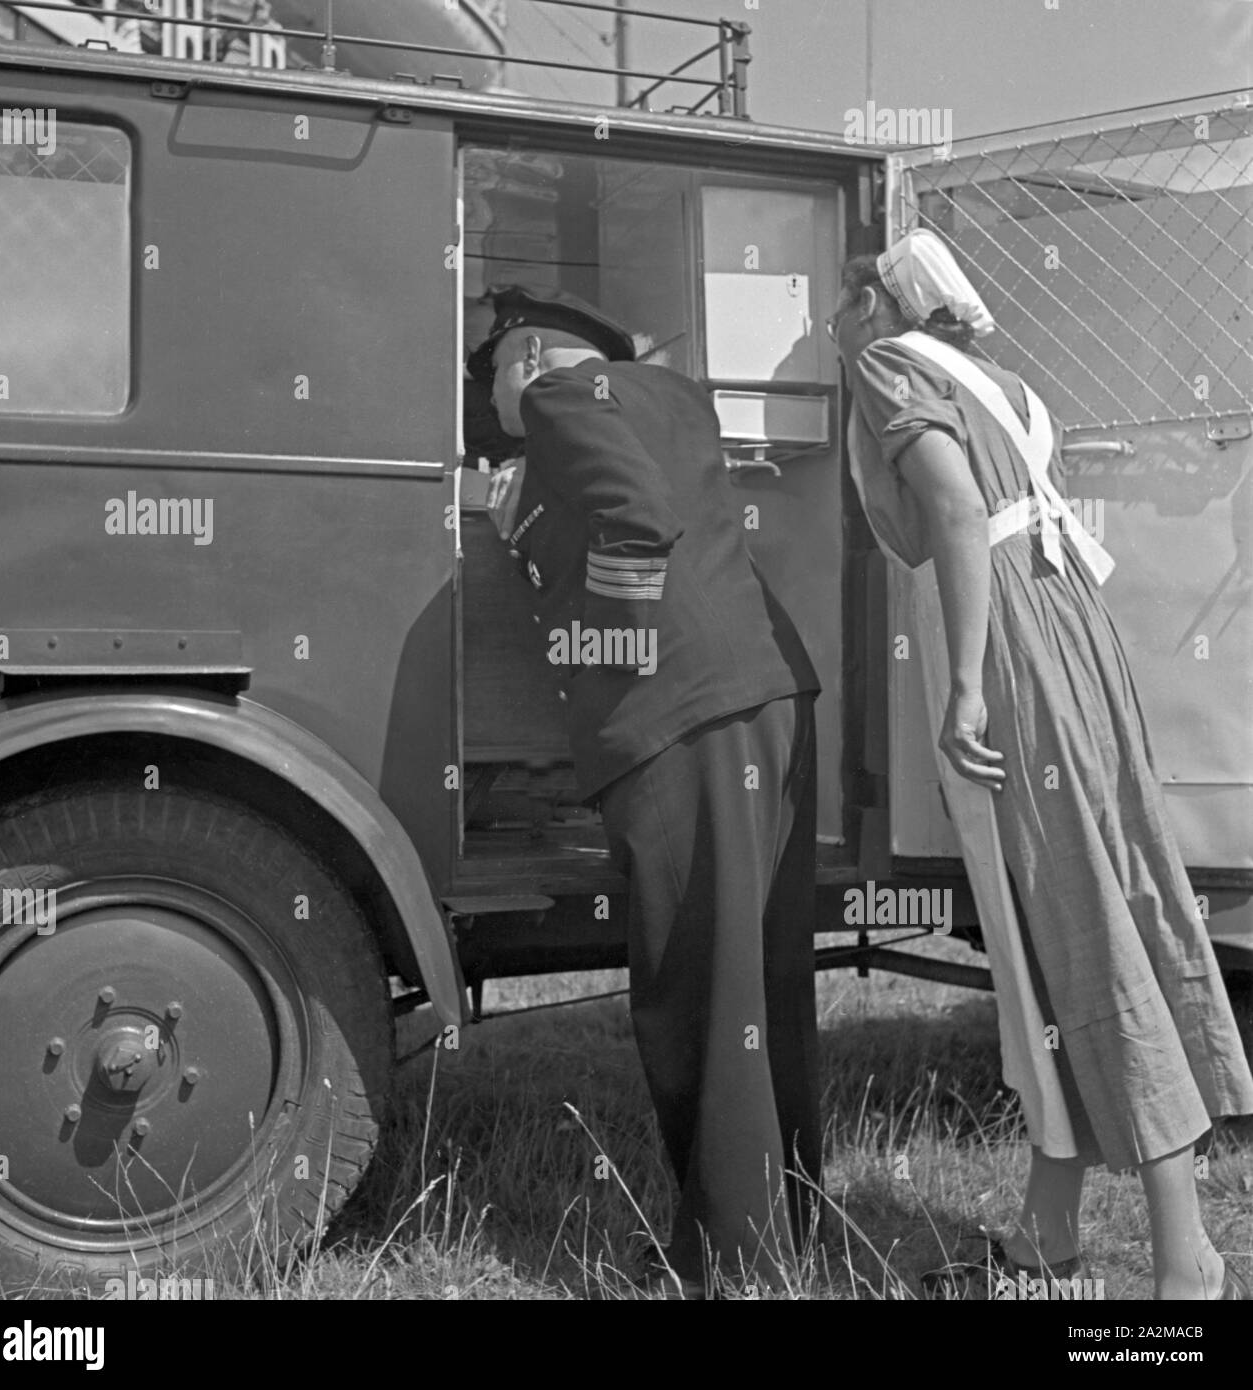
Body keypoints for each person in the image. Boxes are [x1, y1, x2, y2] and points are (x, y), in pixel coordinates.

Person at [832, 228, 1253, 1300]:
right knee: (1054, 918)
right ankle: (1046, 1231)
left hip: (1008, 638)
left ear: (888, 305)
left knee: (1075, 916)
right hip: (1068, 625)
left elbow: (958, 514)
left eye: (849, 298)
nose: (835, 319)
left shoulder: (887, 367)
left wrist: (966, 681)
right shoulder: (1007, 383)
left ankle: (1182, 1263)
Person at [468, 285, 825, 1296]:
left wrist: (618, 649)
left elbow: (635, 522)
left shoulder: (556, 395)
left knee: (692, 996)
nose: (487, 389)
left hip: (683, 714)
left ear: (528, 354)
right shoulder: (668, 395)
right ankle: (784, 1225)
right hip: (762, 692)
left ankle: (728, 1264)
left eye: (487, 368)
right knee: (756, 987)